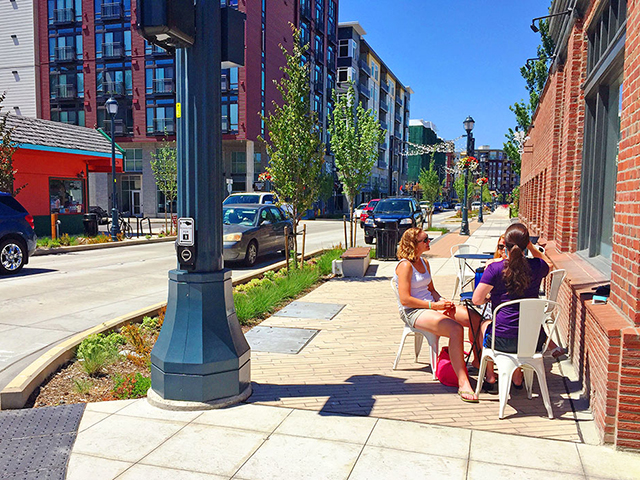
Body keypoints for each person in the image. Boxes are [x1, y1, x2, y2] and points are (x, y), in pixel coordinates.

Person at [394, 227, 482, 403]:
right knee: (455, 329)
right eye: (425, 240)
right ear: (413, 244)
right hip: (414, 311)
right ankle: (463, 382)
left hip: (431, 306)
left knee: (475, 318)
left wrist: (444, 301)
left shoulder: (425, 263)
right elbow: (405, 300)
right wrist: (434, 306)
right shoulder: (405, 265)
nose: (429, 242)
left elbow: (431, 290)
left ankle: (478, 363)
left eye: (428, 239)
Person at [472, 223, 553, 390]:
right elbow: (549, 264)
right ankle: (517, 376)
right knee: (519, 330)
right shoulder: (537, 267)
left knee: (484, 325)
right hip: (532, 342)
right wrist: (530, 246)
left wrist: (490, 298)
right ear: (525, 245)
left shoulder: (495, 268)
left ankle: (490, 376)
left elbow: (476, 300)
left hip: (502, 341)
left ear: (506, 245)